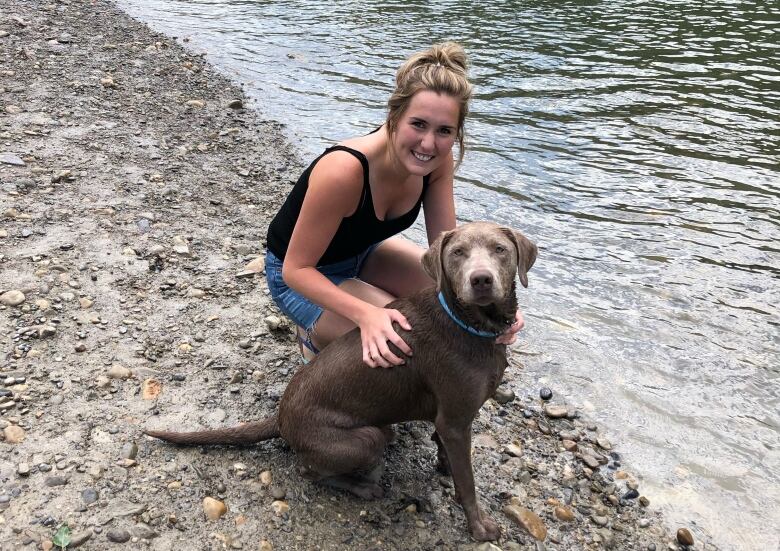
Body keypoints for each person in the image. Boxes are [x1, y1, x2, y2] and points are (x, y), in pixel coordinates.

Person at [265, 42, 523, 367]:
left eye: (444, 131)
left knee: (459, 299)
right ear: (395, 115)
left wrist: (498, 301)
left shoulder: (436, 162)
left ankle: (355, 311)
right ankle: (313, 337)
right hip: (301, 276)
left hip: (365, 254)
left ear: (457, 133)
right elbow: (295, 270)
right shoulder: (344, 171)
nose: (428, 143)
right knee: (408, 336)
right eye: (418, 124)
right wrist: (368, 314)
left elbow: (445, 250)